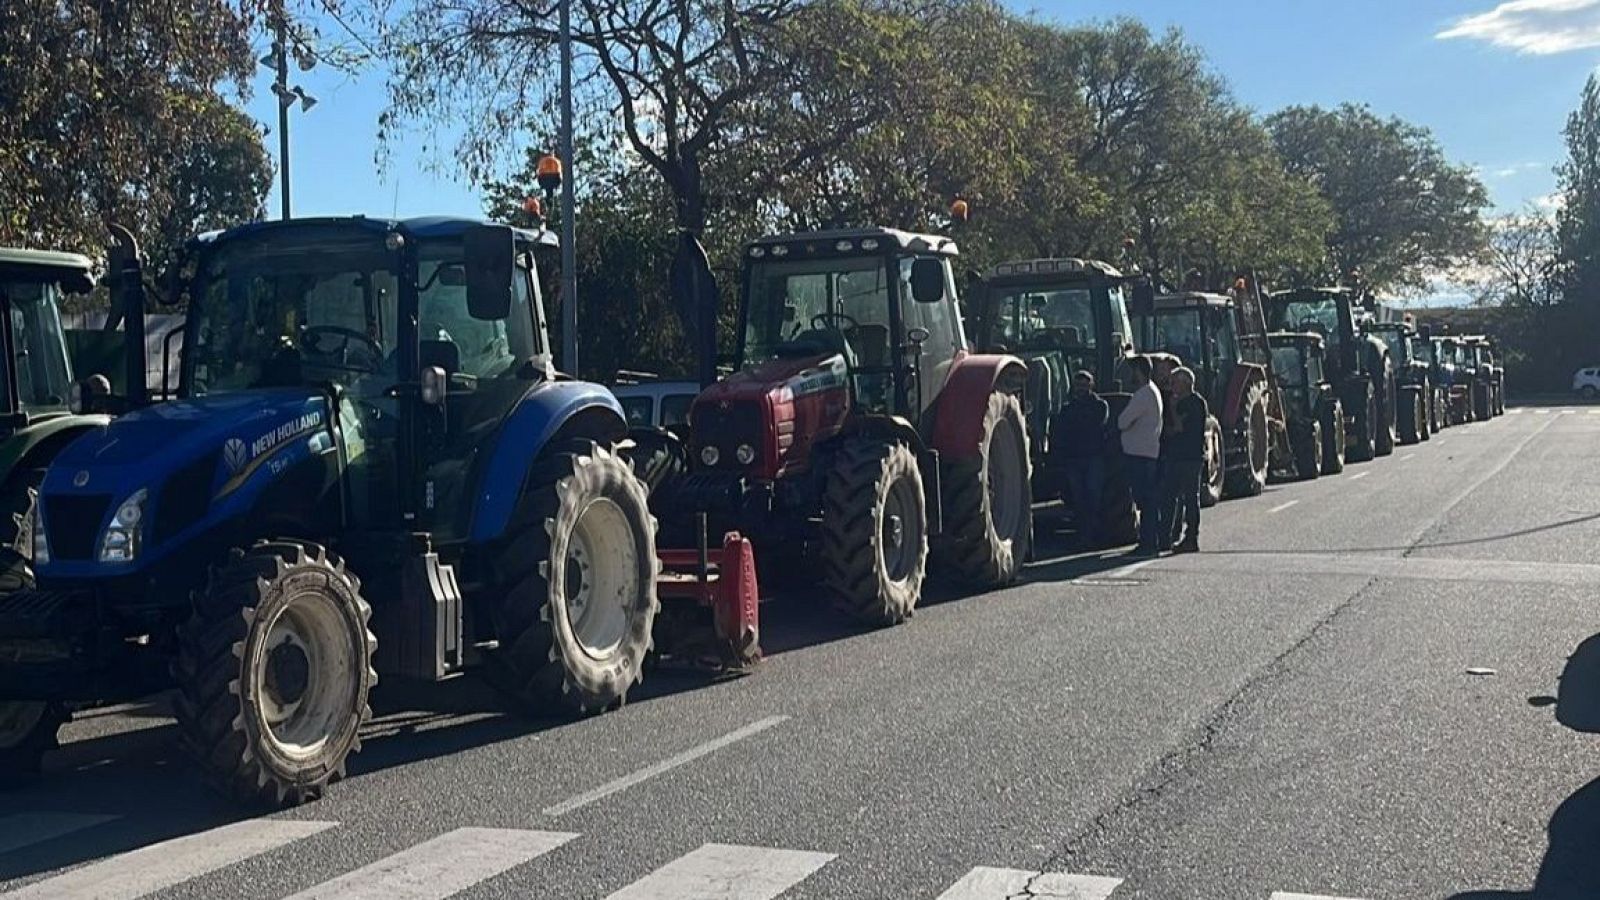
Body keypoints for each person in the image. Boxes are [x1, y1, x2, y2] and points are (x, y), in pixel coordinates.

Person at [1116, 355, 1164, 556]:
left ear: (1139, 371)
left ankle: (1148, 542)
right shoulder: (1153, 391)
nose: (1130, 376)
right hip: (1147, 452)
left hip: (1140, 454)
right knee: (1148, 500)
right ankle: (1151, 540)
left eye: (1132, 371)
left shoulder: (1143, 394)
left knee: (1145, 500)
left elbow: (1122, 421)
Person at [1057, 370, 1109, 548]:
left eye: (1085, 385)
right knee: (1078, 499)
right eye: (1078, 385)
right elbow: (1063, 432)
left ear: (1091, 385)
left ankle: (1095, 535)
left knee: (1093, 497)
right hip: (1074, 459)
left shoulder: (1099, 406)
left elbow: (1095, 425)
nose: (1081, 389)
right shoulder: (1067, 409)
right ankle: (1083, 536)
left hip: (1094, 457)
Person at [1161, 366, 1208, 554]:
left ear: (1186, 383)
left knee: (1190, 497)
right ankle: (1168, 536)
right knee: (1170, 497)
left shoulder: (1195, 403)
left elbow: (1179, 427)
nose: (1172, 387)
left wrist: (1172, 410)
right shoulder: (1179, 401)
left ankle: (1191, 537)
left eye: (1175, 383)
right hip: (1175, 456)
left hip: (1190, 457)